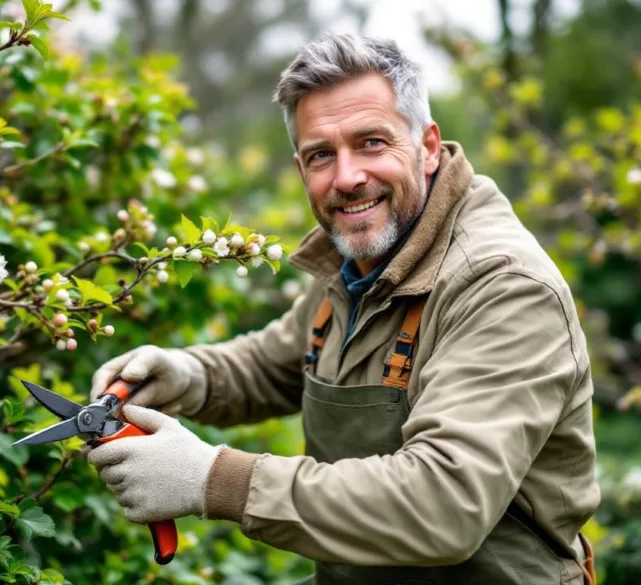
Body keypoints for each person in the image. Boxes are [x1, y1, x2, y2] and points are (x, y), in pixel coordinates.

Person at [85, 32, 600, 585]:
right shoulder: (362, 251)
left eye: (372, 142)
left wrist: (215, 479)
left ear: (427, 146)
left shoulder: (502, 287)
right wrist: (187, 375)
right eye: (321, 155)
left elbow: (444, 503)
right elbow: (279, 361)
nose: (347, 177)